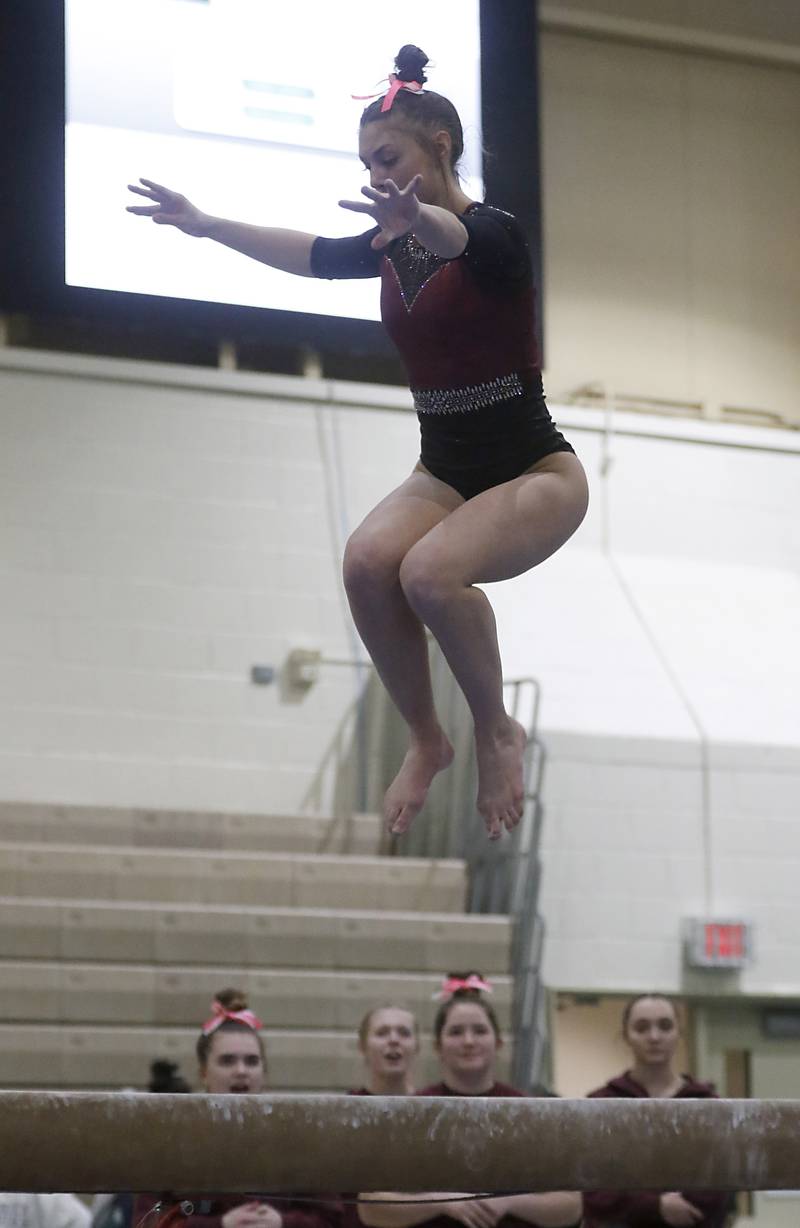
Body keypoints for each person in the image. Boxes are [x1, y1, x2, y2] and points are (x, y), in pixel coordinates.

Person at [127, 44, 589, 842]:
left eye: (389, 157)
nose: (376, 175)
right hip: (446, 468)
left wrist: (421, 219)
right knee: (367, 564)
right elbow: (306, 255)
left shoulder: (493, 235)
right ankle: (427, 738)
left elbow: (457, 241)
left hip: (535, 471)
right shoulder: (387, 242)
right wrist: (206, 227)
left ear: (437, 148)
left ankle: (495, 732)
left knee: (431, 575)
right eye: (367, 162)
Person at [356, 973, 582, 1228]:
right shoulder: (412, 1111)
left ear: (498, 1042)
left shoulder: (525, 1111)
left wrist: (508, 1202)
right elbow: (370, 1207)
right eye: (455, 1032)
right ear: (437, 1046)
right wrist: (442, 1202)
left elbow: (571, 1206)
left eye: (479, 1031)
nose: (468, 1041)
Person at [133, 988, 341, 1228]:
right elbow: (146, 1223)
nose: (241, 1071)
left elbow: (332, 1219)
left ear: (265, 1072)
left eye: (251, 1061)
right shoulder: (174, 1144)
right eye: (227, 1060)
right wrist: (220, 1225)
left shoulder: (297, 1142)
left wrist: (283, 1222)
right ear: (203, 1072)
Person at [583, 995, 732, 1228]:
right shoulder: (602, 1103)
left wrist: (681, 1207)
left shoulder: (707, 1104)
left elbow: (721, 1183)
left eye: (665, 1026)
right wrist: (656, 1206)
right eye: (642, 1028)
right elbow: (593, 1190)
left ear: (679, 1033)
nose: (654, 1037)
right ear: (626, 1035)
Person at [351, 1004, 420, 1096]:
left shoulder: (434, 1108)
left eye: (404, 1033)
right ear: (362, 1046)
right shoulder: (343, 1108)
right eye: (382, 1033)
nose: (394, 1039)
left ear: (417, 1046)